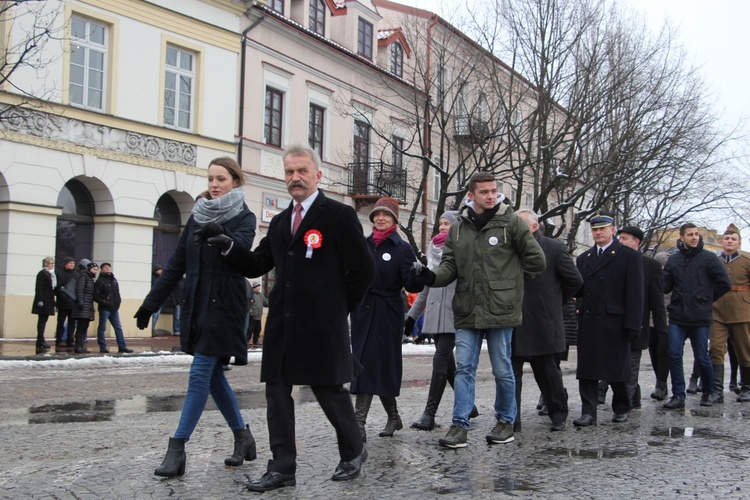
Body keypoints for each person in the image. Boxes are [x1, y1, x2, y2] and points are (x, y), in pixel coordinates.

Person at [206, 144, 374, 490]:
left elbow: (363, 271)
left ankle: (354, 450)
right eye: (289, 172)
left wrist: (337, 308)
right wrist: (226, 245)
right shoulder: (282, 222)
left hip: (323, 322)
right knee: (277, 392)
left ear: (317, 175)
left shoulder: (338, 216)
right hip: (283, 321)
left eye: (301, 171)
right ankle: (282, 466)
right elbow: (257, 263)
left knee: (328, 389)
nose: (295, 178)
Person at [133, 156, 258, 477]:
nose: (214, 185)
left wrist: (223, 238)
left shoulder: (245, 216)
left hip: (226, 307)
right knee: (213, 377)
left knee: (200, 374)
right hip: (197, 306)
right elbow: (176, 264)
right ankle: (243, 436)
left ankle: (177, 447)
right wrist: (150, 304)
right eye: (211, 179)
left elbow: (243, 252)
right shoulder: (197, 216)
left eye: (221, 179)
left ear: (235, 182)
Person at [412, 171, 545, 448]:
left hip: (501, 308)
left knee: (502, 369)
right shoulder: (459, 228)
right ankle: (460, 426)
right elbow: (449, 267)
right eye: (484, 192)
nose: (490, 196)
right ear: (471, 195)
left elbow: (537, 261)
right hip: (467, 307)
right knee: (464, 370)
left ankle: (505, 421)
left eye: (493, 191)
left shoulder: (511, 223)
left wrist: (510, 281)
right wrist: (430, 276)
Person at [349, 197, 423, 442]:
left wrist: (418, 275)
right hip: (363, 311)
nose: (380, 218)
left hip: (387, 313)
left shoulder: (402, 248)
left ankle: (358, 422)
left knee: (376, 365)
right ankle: (393, 416)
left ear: (394, 220)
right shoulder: (363, 244)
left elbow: (410, 284)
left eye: (386, 215)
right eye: (377, 215)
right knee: (365, 364)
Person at [406, 211, 478, 431]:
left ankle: (429, 414)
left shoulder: (464, 248)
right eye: (441, 224)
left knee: (439, 361)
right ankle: (470, 406)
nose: (443, 227)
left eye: (448, 224)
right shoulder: (433, 249)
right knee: (448, 366)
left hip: (455, 314)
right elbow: (427, 289)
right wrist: (412, 316)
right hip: (436, 316)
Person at [513, 210, 583, 432]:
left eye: (520, 224)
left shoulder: (553, 248)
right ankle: (511, 419)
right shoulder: (508, 249)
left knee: (548, 373)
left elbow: (574, 281)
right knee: (511, 375)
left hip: (543, 321)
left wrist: (555, 302)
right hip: (513, 321)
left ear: (534, 227)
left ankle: (558, 414)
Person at [573, 211, 643, 427]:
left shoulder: (628, 256)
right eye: (594, 229)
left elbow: (635, 293)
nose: (598, 233)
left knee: (617, 368)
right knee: (587, 369)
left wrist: (633, 324)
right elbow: (579, 290)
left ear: (613, 230)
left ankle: (622, 407)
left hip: (615, 321)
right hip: (590, 320)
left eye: (602, 229)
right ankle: (589, 411)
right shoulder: (584, 258)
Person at [662, 223, 731, 409]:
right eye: (690, 235)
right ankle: (678, 395)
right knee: (674, 355)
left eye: (696, 234)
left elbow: (724, 283)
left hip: (700, 317)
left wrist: (706, 299)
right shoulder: (674, 259)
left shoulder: (709, 258)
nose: (694, 237)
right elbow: (665, 286)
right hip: (678, 316)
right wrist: (654, 276)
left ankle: (708, 393)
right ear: (682, 237)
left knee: (702, 356)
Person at [599, 226, 667, 408]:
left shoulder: (650, 266)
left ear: (636, 242)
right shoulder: (610, 260)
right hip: (612, 322)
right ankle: (629, 397)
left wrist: (662, 329)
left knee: (631, 365)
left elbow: (657, 300)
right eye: (619, 238)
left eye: (625, 239)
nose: (620, 242)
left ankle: (625, 404)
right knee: (612, 361)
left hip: (638, 324)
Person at [709, 223, 750, 403]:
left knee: (745, 349)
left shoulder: (747, 261)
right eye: (727, 239)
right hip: (717, 310)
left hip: (742, 310)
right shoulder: (713, 262)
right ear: (721, 242)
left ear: (739, 244)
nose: (730, 242)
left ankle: (747, 387)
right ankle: (717, 390)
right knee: (716, 349)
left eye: (733, 239)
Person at [93, 263, 133, 354]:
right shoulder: (100, 281)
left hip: (114, 308)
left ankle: (122, 346)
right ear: (102, 270)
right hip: (105, 308)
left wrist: (118, 302)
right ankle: (102, 347)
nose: (108, 269)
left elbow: (117, 293)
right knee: (102, 327)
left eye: (109, 268)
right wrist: (105, 302)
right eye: (105, 268)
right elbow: (96, 296)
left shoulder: (114, 280)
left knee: (118, 327)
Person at [649, 251, 672, 400]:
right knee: (654, 352)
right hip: (651, 320)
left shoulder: (673, 278)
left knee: (663, 353)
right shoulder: (651, 277)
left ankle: (661, 384)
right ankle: (660, 382)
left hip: (669, 319)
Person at [72, 260, 98, 354]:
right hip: (82, 306)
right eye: (94, 269)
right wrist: (81, 302)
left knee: (84, 327)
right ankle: (78, 346)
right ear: (90, 269)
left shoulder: (90, 278)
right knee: (81, 327)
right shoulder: (84, 276)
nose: (95, 271)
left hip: (87, 306)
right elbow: (80, 289)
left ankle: (81, 346)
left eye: (96, 270)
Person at [32, 256, 56, 351]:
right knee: (42, 321)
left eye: (53, 264)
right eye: (51, 264)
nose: (52, 265)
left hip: (48, 300)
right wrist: (40, 300)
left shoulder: (50, 274)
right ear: (46, 264)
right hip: (43, 301)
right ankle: (40, 339)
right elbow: (39, 288)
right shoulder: (42, 274)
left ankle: (41, 339)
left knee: (44, 320)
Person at [55, 256, 77, 352]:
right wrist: (64, 296)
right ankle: (59, 339)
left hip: (73, 303)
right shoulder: (59, 274)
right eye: (70, 263)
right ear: (65, 264)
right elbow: (58, 288)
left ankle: (70, 340)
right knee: (61, 322)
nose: (72, 265)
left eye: (73, 263)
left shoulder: (76, 274)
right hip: (63, 302)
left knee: (72, 323)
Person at [248, 281, 266, 348]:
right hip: (252, 316)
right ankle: (247, 340)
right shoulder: (251, 294)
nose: (259, 288)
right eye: (258, 286)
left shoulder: (261, 295)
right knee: (250, 329)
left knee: (258, 329)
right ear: (254, 287)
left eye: (259, 286)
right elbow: (249, 305)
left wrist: (273, 303)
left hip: (259, 316)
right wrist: (251, 312)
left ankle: (255, 341)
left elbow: (265, 302)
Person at [150, 265, 163, 335]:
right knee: (155, 315)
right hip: (155, 299)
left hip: (159, 298)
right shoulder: (154, 279)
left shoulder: (159, 278)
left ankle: (153, 329)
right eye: (159, 269)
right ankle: (152, 329)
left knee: (156, 315)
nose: (161, 271)